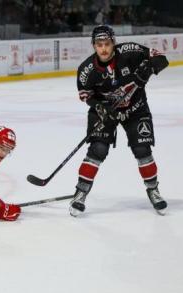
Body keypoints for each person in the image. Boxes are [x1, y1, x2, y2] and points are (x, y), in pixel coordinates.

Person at [72, 25, 169, 216]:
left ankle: (153, 190)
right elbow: (85, 95)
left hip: (136, 107)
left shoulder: (129, 51)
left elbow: (161, 59)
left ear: (113, 43)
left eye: (107, 43)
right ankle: (80, 193)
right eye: (99, 45)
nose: (104, 49)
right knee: (98, 149)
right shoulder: (86, 69)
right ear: (94, 46)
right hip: (105, 111)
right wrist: (100, 107)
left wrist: (149, 68)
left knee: (142, 149)